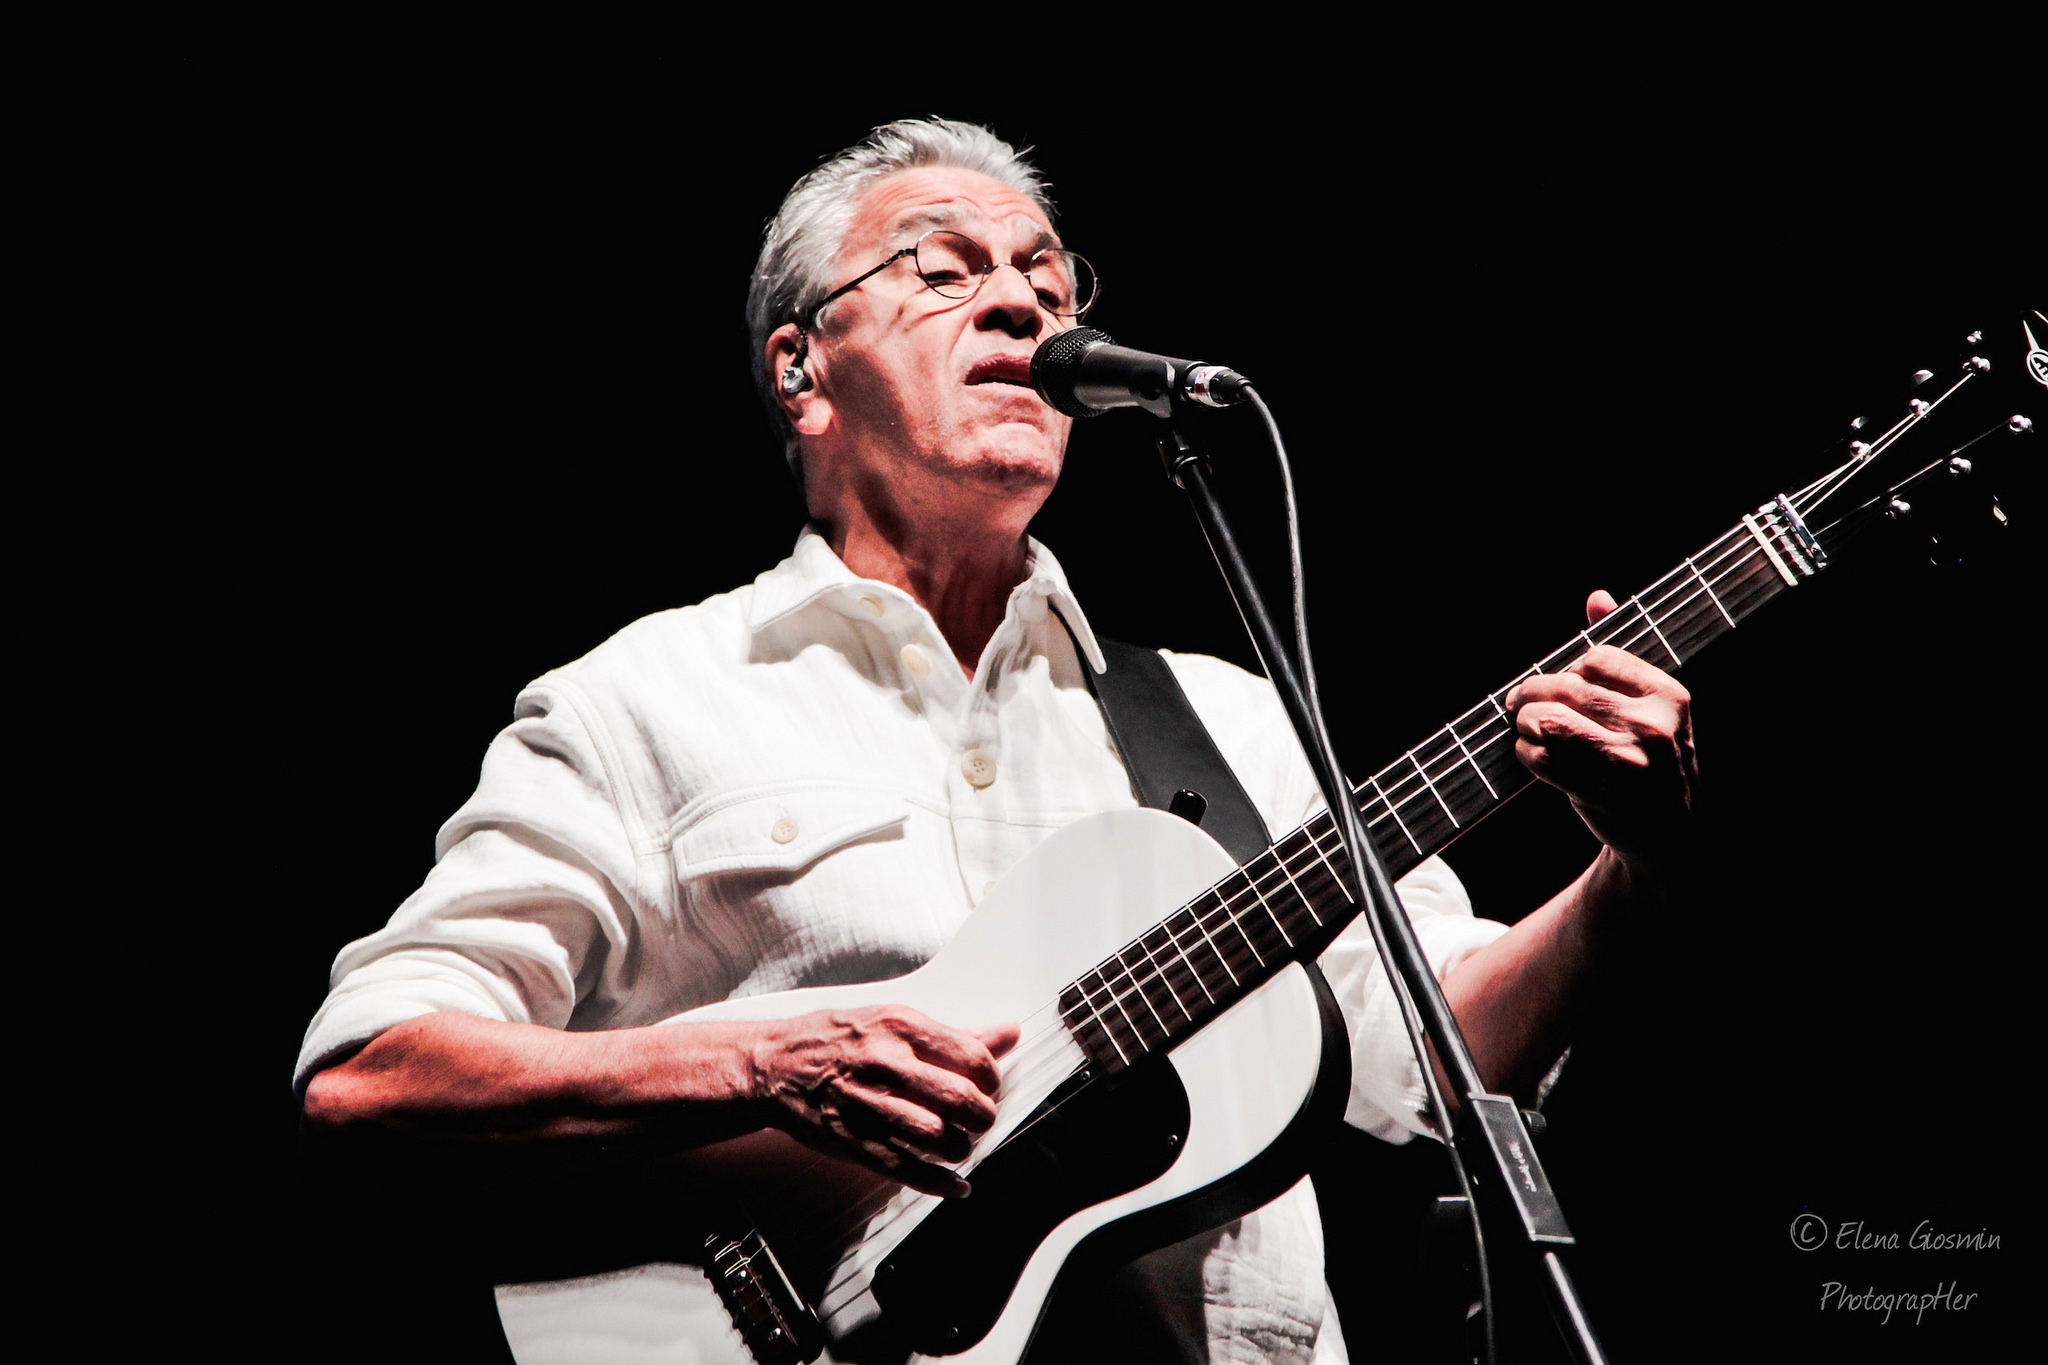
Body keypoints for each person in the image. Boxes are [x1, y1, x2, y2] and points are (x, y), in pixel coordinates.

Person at [298, 118, 1697, 1363]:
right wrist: (764, 1062)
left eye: (1047, 273)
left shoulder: (1224, 719)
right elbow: (373, 1070)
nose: (1023, 298)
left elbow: (1444, 1060)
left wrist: (1632, 870)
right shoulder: (645, 699)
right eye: (944, 266)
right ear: (801, 368)